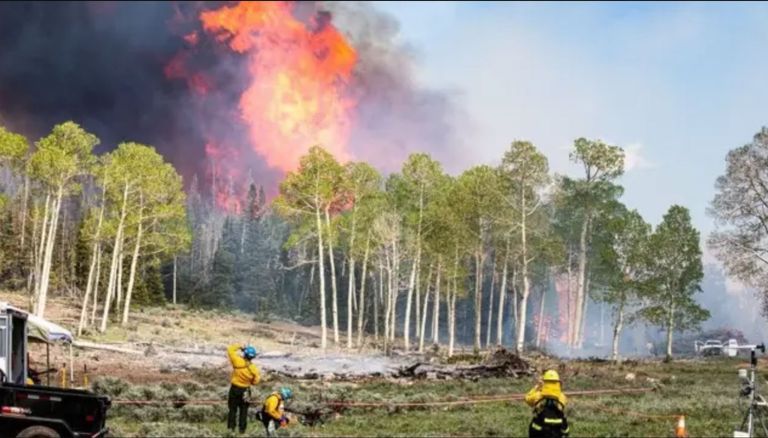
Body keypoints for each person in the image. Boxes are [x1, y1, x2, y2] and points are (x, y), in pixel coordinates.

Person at [226, 343, 261, 434]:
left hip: (234, 389)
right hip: (246, 390)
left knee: (232, 410)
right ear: (252, 357)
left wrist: (240, 347)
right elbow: (256, 380)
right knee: (244, 411)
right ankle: (242, 430)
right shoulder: (253, 368)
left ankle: (231, 429)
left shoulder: (237, 360)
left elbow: (230, 350)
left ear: (245, 354)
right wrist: (251, 382)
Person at [525, 369, 569, 438]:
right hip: (556, 432)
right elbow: (564, 402)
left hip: (539, 431)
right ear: (558, 382)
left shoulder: (538, 395)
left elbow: (527, 399)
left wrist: (537, 387)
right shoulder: (562, 397)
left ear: (544, 382)